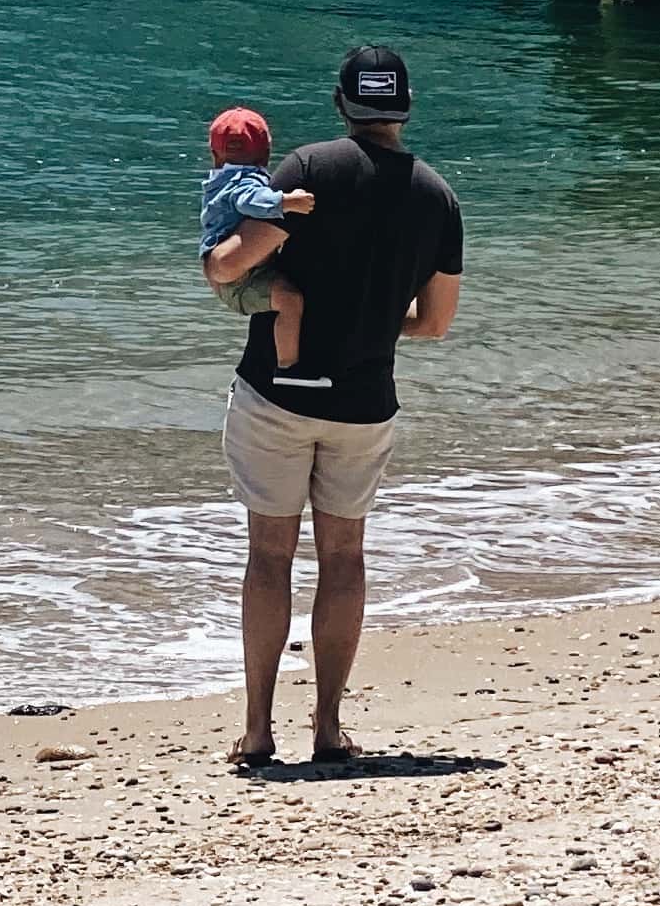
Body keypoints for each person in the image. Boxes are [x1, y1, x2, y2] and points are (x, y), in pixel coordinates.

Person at [202, 42, 462, 773]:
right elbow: (436, 324)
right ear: (404, 105)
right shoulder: (438, 197)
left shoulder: (307, 170)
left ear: (343, 103)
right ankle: (328, 727)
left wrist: (210, 260)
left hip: (275, 395)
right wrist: (379, 327)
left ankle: (257, 731)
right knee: (345, 556)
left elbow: (232, 264)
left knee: (269, 555)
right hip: (363, 400)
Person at [198, 105, 314, 376]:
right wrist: (285, 201)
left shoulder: (219, 179)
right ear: (266, 153)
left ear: (214, 155)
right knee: (290, 300)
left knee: (289, 296)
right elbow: (249, 199)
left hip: (231, 272)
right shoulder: (244, 179)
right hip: (239, 280)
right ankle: (289, 368)